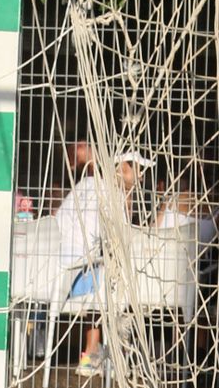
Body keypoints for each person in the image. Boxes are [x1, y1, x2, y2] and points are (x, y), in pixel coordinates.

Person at [53, 149, 148, 375]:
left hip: (55, 275)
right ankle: (103, 353)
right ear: (120, 170)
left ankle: (105, 352)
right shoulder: (111, 196)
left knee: (110, 273)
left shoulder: (85, 185)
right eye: (137, 169)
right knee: (122, 279)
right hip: (80, 276)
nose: (142, 176)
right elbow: (115, 241)